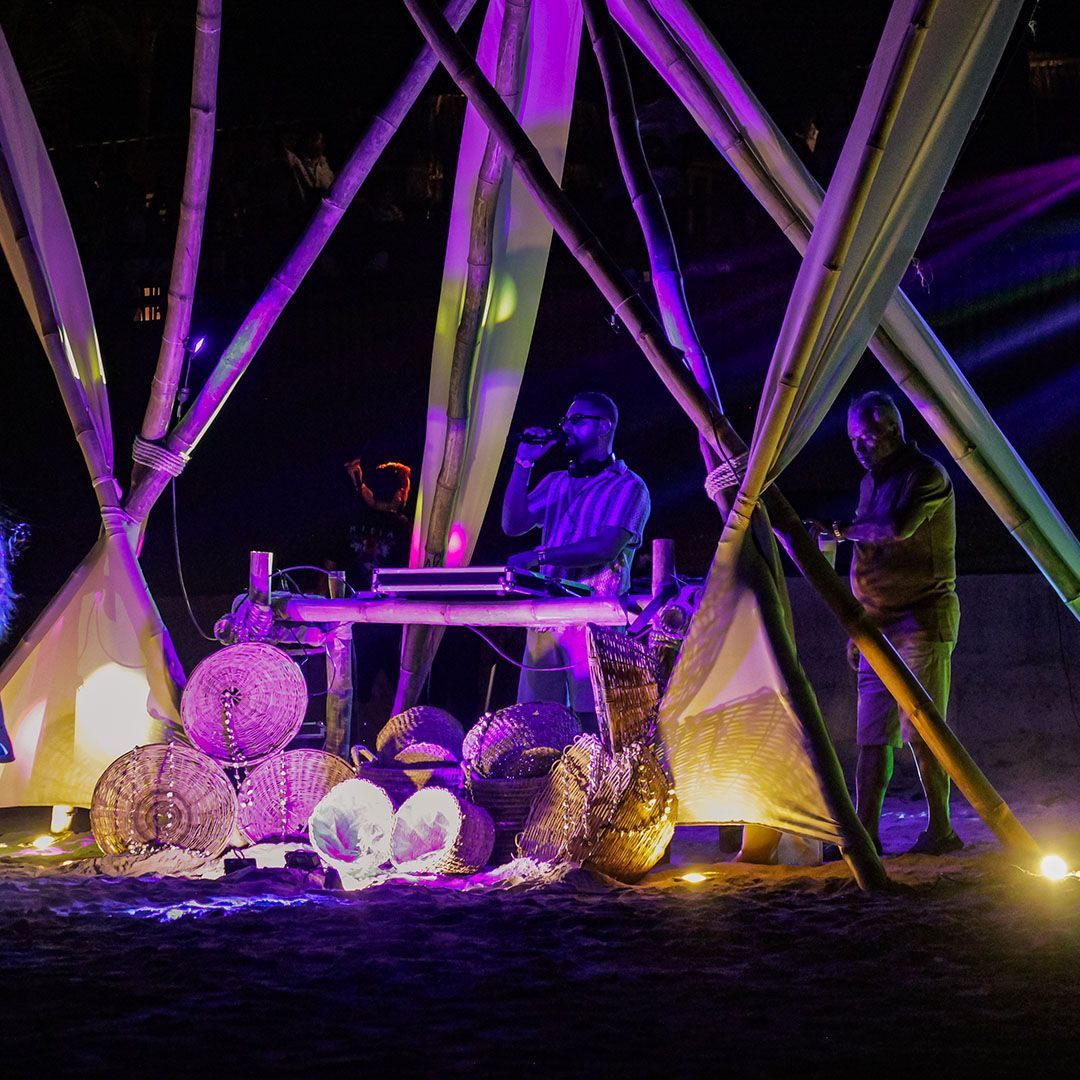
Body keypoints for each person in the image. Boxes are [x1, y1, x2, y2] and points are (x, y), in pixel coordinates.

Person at [810, 391, 962, 856]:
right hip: (878, 623)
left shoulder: (927, 476)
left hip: (921, 617)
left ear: (893, 431)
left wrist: (839, 532)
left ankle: (941, 829)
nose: (859, 446)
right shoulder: (870, 481)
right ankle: (865, 834)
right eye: (854, 438)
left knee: (922, 729)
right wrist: (858, 626)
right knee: (873, 735)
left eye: (868, 436)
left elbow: (897, 528)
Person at [502, 392, 650, 730]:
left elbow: (605, 547)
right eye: (566, 420)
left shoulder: (630, 487)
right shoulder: (557, 481)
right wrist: (523, 464)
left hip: (593, 625)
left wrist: (539, 556)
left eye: (577, 419)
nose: (566, 427)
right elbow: (513, 524)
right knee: (538, 725)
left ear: (606, 426)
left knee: (592, 725)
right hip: (544, 622)